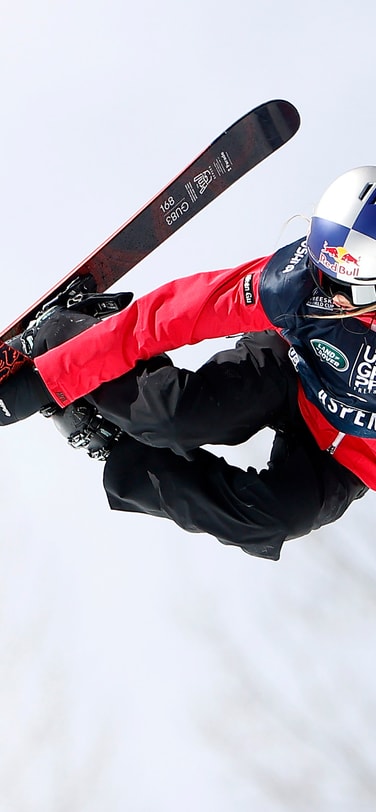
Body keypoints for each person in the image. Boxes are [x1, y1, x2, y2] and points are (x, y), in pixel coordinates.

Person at [0, 166, 375, 560]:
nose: (332, 297)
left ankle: (111, 441)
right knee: (178, 417)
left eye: (347, 287)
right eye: (323, 273)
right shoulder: (295, 285)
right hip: (292, 365)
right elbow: (174, 315)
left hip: (352, 446)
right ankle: (62, 332)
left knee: (273, 520)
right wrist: (46, 378)